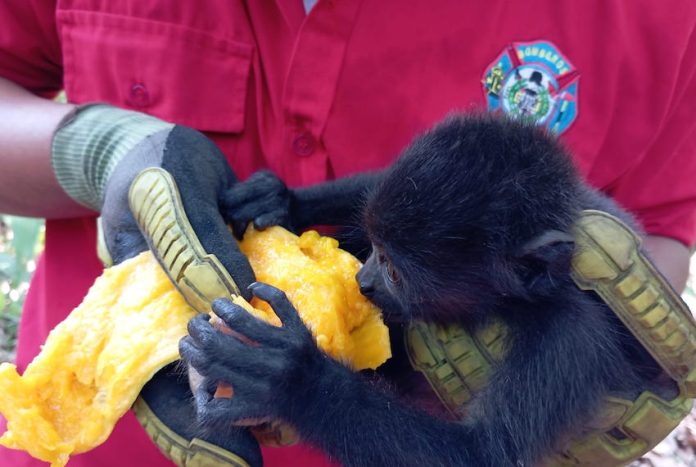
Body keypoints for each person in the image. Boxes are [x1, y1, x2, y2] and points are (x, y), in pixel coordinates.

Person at [1, 1, 695, 466]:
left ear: (532, 271)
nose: (365, 276)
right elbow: (385, 191)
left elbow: (481, 457)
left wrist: (310, 389)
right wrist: (98, 149)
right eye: (379, 252)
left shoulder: (563, 339)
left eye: (392, 269)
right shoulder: (454, 227)